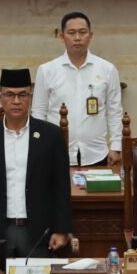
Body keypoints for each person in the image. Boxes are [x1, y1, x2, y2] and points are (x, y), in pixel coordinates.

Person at [0, 68, 71, 257]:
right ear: (0, 98)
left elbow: (61, 187)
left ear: (30, 97)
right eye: (9, 95)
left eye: (22, 95)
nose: (16, 101)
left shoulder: (51, 136)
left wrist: (61, 229)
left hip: (40, 232)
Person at [31, 11, 123, 166]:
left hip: (97, 153)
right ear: (62, 37)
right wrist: (39, 146)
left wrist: (116, 147)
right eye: (71, 33)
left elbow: (115, 110)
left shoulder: (107, 69)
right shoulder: (47, 70)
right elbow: (39, 112)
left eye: (82, 32)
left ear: (91, 35)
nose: (77, 38)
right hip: (56, 152)